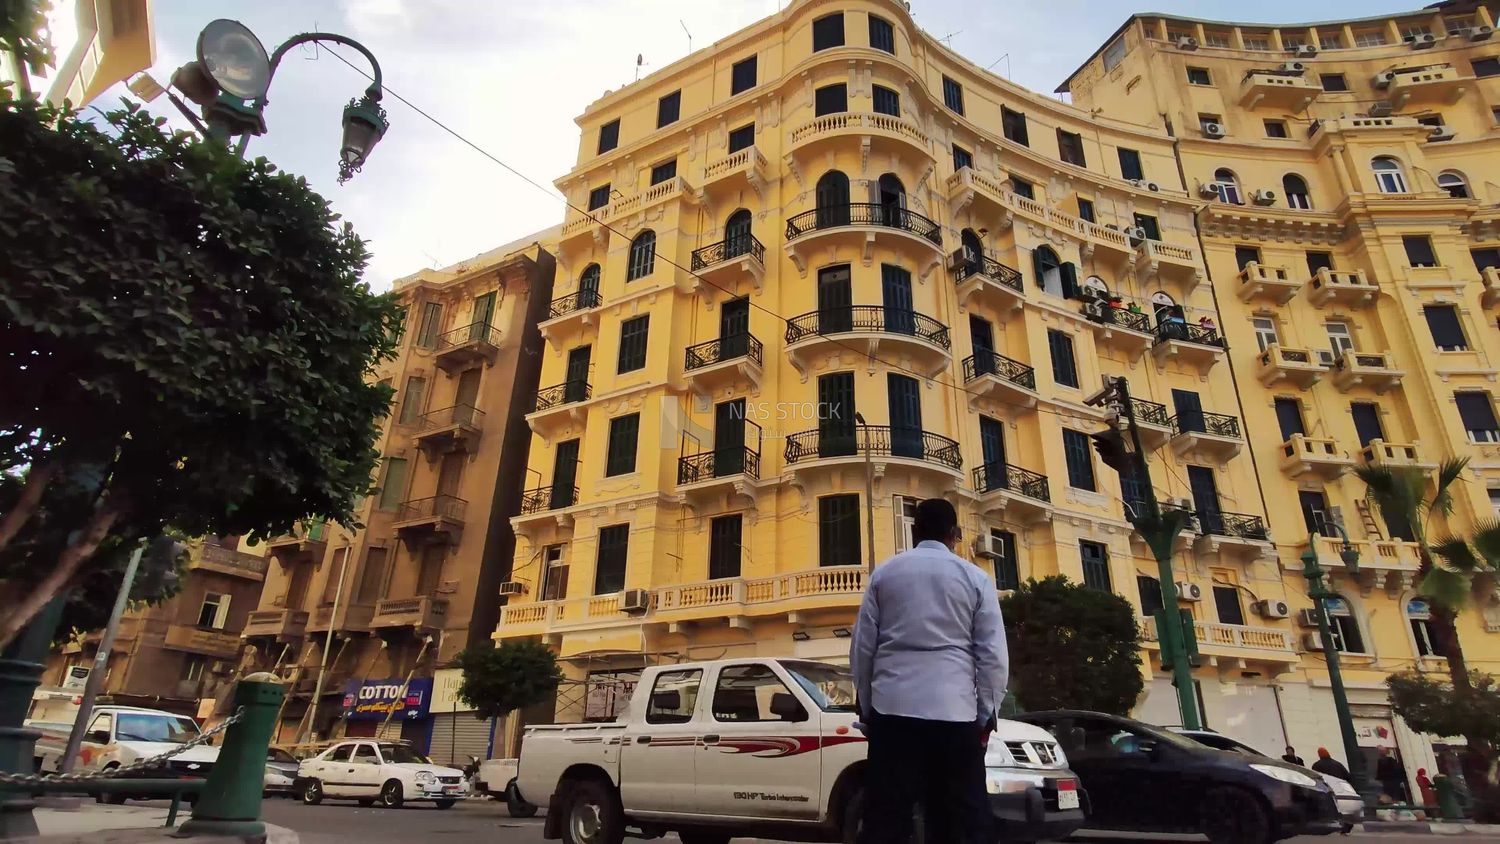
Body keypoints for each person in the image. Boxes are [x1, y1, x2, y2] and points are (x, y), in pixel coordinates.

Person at [851, 498, 1007, 844]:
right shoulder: (976, 578)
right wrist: (985, 714)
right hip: (956, 715)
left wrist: (866, 706)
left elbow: (863, 648)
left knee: (886, 820)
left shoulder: (886, 574)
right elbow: (993, 656)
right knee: (961, 823)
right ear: (954, 535)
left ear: (915, 531)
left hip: (894, 714)